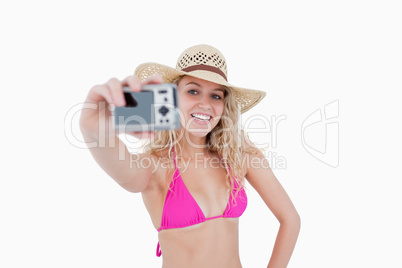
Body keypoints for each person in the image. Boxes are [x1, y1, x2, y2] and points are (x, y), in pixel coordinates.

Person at [80, 44, 300, 268]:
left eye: (216, 95)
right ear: (172, 97)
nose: (205, 104)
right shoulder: (157, 166)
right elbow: (123, 172)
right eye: (193, 91)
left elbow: (290, 219)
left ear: (224, 105)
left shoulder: (240, 158)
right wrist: (93, 129)